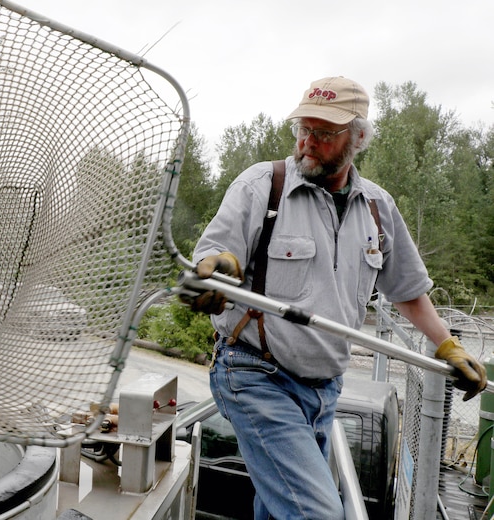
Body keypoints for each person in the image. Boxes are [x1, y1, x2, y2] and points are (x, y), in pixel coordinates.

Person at [188, 76, 487, 520]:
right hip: (255, 375)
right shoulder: (262, 186)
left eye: (325, 133)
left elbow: (407, 291)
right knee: (319, 514)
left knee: (277, 510)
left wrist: (448, 346)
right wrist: (220, 274)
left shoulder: (377, 208)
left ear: (358, 138)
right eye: (303, 129)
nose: (308, 142)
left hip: (324, 392)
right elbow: (215, 255)